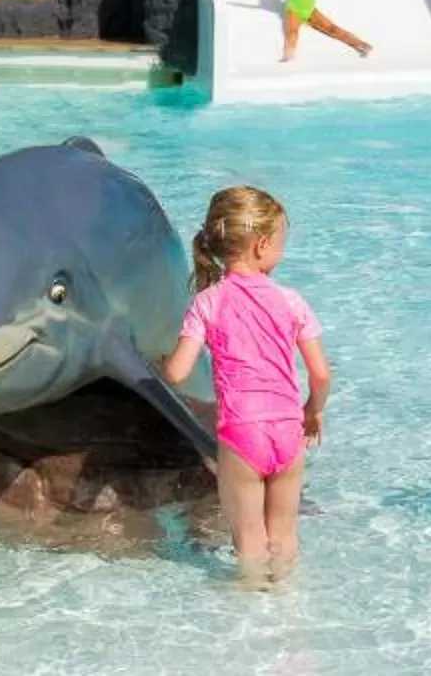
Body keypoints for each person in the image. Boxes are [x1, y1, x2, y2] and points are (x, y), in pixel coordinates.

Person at [159, 186, 330, 587]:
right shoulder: (291, 300)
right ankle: (288, 616)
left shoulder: (208, 302)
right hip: (288, 430)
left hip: (241, 434)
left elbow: (177, 374)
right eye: (281, 243)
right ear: (262, 244)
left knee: (250, 543)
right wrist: (313, 410)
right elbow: (321, 375)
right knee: (284, 538)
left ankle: (252, 630)